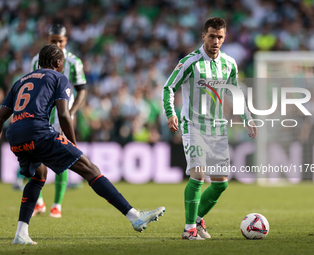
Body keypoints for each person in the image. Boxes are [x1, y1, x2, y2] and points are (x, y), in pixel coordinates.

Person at [0, 44, 165, 245]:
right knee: (89, 168)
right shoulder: (58, 77)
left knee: (38, 176)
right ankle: (135, 217)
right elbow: (64, 113)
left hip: (16, 135)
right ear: (58, 63)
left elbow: (2, 116)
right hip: (39, 132)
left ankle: (21, 233)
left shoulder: (21, 81)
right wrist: (73, 145)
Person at [162, 17, 257, 240]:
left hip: (218, 129)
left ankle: (196, 218)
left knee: (220, 184)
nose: (216, 40)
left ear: (225, 38)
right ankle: (189, 229)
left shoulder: (229, 64)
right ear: (204, 36)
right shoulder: (190, 61)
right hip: (193, 126)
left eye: (220, 37)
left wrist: (247, 118)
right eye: (212, 36)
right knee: (198, 175)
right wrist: (170, 113)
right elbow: (169, 87)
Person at [15, 24, 87, 218]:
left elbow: (82, 90)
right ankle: (38, 201)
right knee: (35, 157)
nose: (57, 43)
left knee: (61, 157)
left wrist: (71, 112)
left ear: (66, 41)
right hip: (40, 116)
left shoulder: (74, 62)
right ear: (47, 39)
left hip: (61, 116)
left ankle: (57, 204)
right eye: (53, 40)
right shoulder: (35, 61)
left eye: (60, 41)